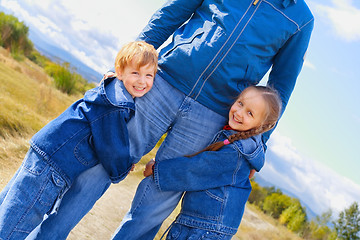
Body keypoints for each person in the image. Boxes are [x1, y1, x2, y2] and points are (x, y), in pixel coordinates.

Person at [31, 0, 314, 239]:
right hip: (161, 83)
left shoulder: (300, 19)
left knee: (157, 198)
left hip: (213, 114)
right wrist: (126, 65)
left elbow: (280, 88)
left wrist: (257, 143)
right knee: (100, 164)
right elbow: (171, 13)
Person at [0, 41, 158, 240]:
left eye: (149, 75)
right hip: (54, 166)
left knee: (9, 209)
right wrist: (124, 167)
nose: (142, 81)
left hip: (44, 152)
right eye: (135, 73)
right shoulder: (117, 104)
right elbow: (112, 149)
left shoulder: (109, 91)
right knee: (17, 222)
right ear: (119, 71)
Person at [143, 85, 281, 239]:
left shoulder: (237, 152)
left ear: (262, 126)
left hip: (205, 230)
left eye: (250, 113)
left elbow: (198, 168)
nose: (239, 113)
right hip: (202, 224)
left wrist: (158, 171)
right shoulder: (233, 138)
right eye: (240, 103)